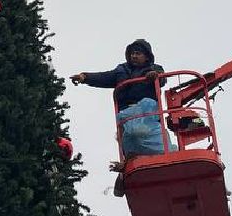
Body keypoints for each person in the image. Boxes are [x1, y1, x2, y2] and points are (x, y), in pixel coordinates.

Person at [70, 39, 169, 195]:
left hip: (147, 113)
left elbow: (162, 77)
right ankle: (127, 167)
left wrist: (155, 76)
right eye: (132, 53)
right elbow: (104, 77)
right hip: (126, 112)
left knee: (144, 135)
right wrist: (85, 77)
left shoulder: (153, 68)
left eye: (138, 53)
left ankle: (160, 161)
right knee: (129, 136)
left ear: (147, 57)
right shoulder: (121, 70)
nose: (134, 56)